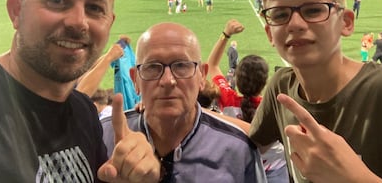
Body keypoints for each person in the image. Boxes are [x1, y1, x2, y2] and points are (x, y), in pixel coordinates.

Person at [0, 0, 160, 182]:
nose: (78, 22)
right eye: (57, 1)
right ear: (17, 11)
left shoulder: (84, 112)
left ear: (109, 22)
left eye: (95, 8)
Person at [249, 0, 382, 182]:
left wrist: (352, 176)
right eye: (280, 15)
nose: (294, 24)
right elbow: (249, 139)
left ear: (346, 22)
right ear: (269, 34)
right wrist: (194, 112)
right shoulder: (281, 87)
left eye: (313, 11)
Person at [101, 22, 266, 182]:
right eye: (152, 67)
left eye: (181, 65)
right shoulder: (100, 137)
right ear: (135, 79)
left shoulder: (238, 149)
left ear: (202, 76)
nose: (168, 80)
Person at [207, 19, 289, 183]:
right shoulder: (276, 104)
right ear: (265, 82)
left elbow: (212, 65)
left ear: (235, 79)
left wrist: (226, 34)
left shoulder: (227, 98)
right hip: (275, 170)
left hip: (241, 169)